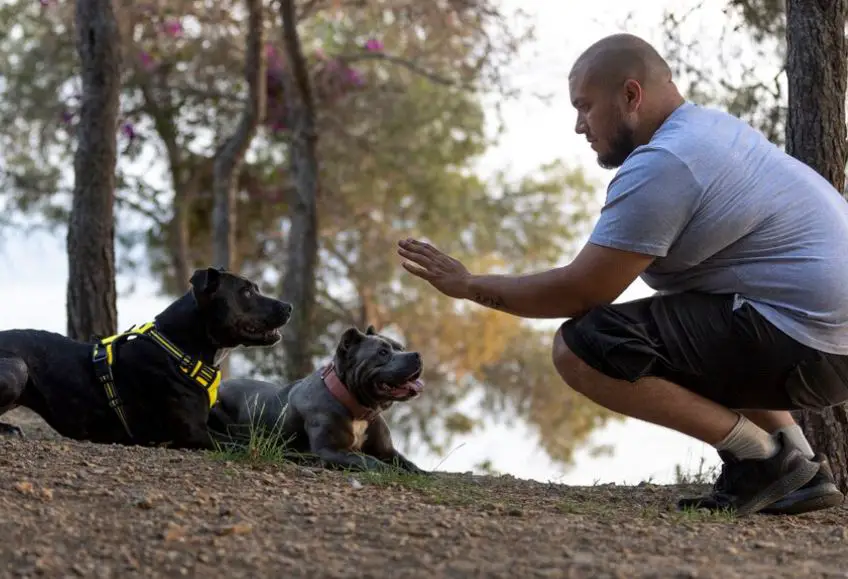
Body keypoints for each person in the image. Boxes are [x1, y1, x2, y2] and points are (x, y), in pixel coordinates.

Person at [396, 32, 848, 517]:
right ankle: (796, 460)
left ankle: (761, 461)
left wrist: (469, 286)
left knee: (585, 346)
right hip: (823, 345)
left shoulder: (668, 162)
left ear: (631, 96)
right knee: (684, 325)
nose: (578, 125)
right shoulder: (709, 132)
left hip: (809, 340)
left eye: (585, 106)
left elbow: (579, 291)